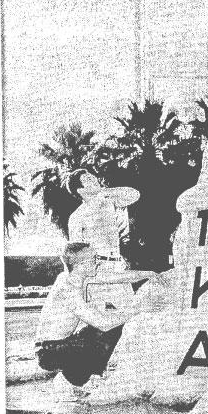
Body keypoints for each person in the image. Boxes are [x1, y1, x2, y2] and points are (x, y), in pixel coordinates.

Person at [35, 242, 162, 400]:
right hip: (49, 351)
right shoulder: (68, 290)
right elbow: (104, 324)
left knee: (109, 325)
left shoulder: (75, 277)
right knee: (110, 330)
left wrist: (149, 273)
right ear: (81, 265)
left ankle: (72, 379)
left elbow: (116, 277)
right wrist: (139, 309)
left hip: (55, 345)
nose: (98, 262)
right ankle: (67, 382)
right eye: (94, 259)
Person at [66, 169, 140, 310]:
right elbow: (75, 252)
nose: (94, 180)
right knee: (96, 317)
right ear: (80, 190)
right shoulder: (77, 216)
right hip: (97, 270)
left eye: (93, 177)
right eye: (88, 180)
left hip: (118, 267)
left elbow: (134, 194)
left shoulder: (109, 203)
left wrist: (103, 192)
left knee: (131, 312)